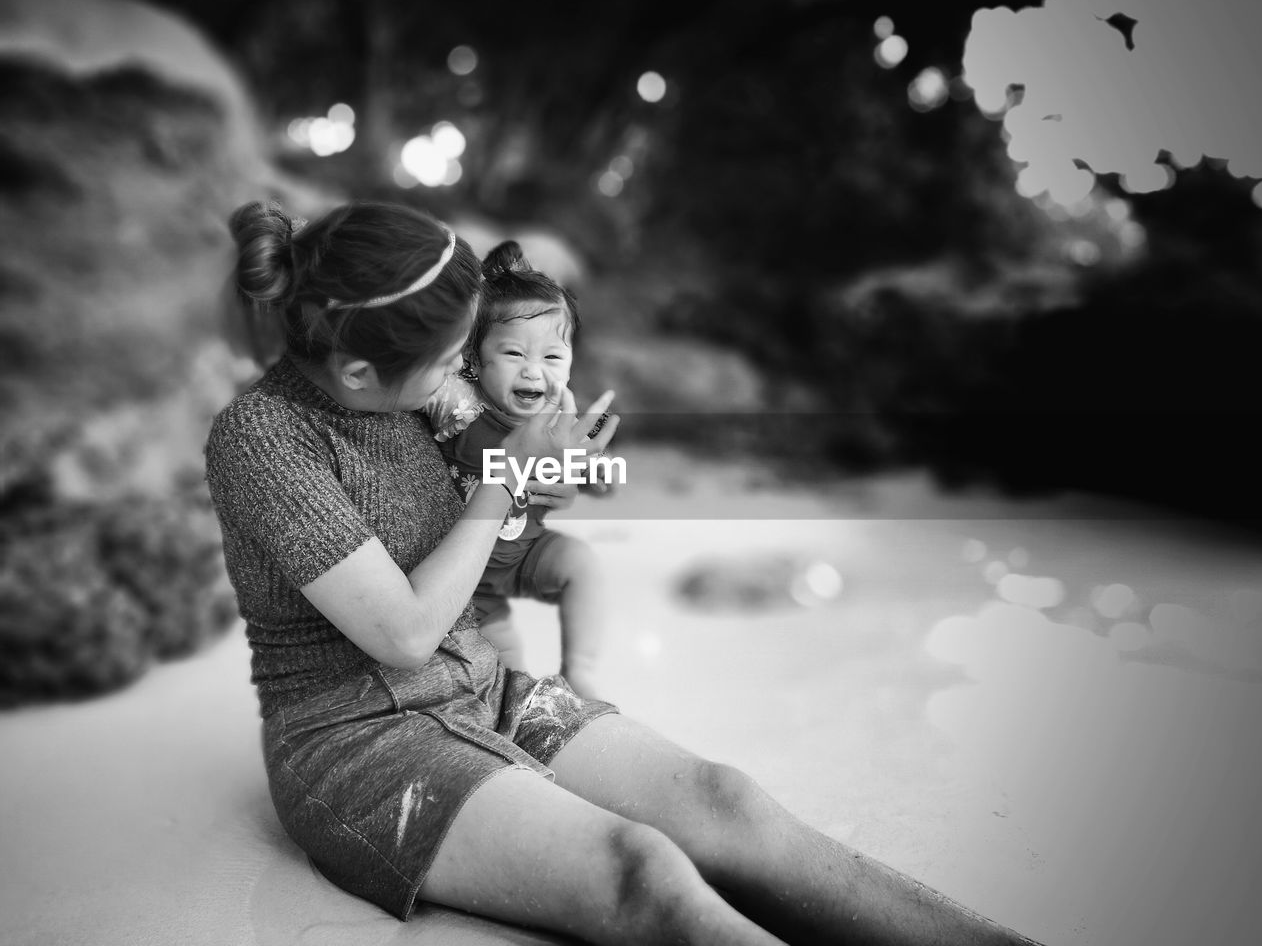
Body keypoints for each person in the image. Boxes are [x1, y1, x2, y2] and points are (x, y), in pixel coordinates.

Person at [205, 198, 1045, 945]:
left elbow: (503, 492)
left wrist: (550, 470)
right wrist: (505, 480)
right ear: (357, 370)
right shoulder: (264, 440)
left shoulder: (421, 390)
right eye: (453, 355)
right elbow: (402, 632)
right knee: (641, 874)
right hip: (358, 743)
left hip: (484, 686)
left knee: (728, 804)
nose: (466, 372)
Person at [423, 239, 610, 700]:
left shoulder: (559, 421)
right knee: (505, 671)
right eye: (513, 355)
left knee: (581, 564)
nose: (533, 372)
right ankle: (510, 708)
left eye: (551, 357)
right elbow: (420, 379)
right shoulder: (462, 407)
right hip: (466, 577)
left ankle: (580, 671)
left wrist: (595, 473)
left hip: (526, 552)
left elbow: (591, 466)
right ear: (472, 357)